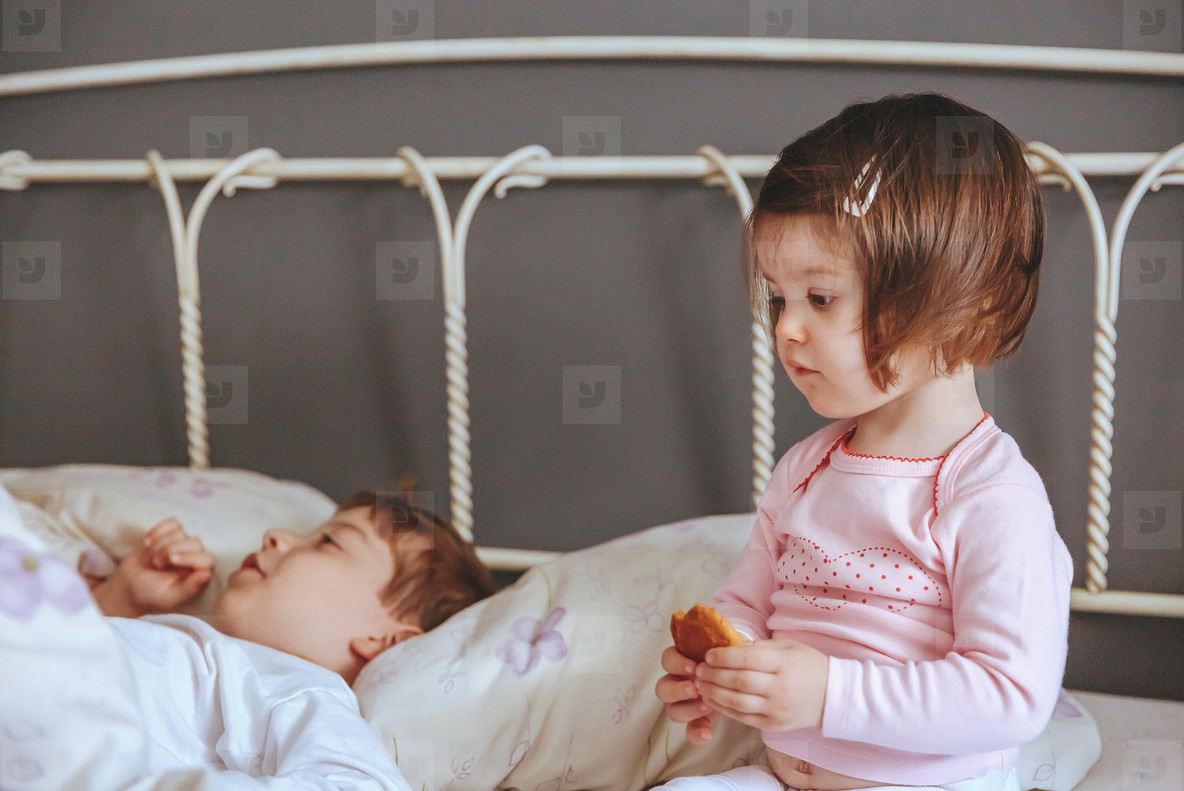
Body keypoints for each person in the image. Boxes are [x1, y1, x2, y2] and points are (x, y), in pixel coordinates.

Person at [654, 93, 1073, 791]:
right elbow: (747, 602)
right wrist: (720, 666)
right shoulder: (805, 470)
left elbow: (1010, 693)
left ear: (960, 305)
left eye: (820, 298)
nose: (786, 327)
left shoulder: (989, 495)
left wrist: (828, 694)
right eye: (778, 297)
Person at [87, 486, 497, 789]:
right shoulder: (209, 651)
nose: (275, 535)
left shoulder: (301, 690)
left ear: (385, 641)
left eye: (328, 543)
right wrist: (119, 600)